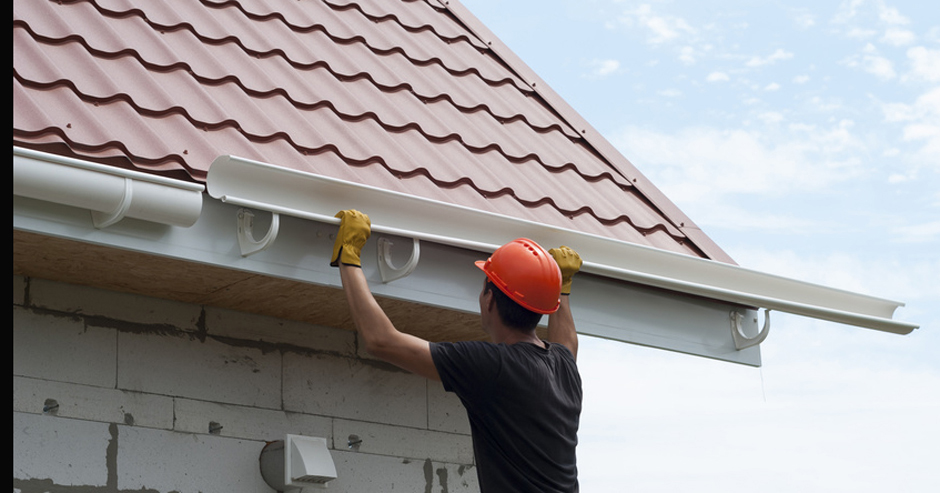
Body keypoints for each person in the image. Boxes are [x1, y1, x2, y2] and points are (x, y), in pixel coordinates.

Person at [331, 209, 583, 492]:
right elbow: (567, 343)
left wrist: (349, 255)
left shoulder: (493, 366)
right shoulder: (563, 367)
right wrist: (562, 286)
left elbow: (382, 341)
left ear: (489, 299)